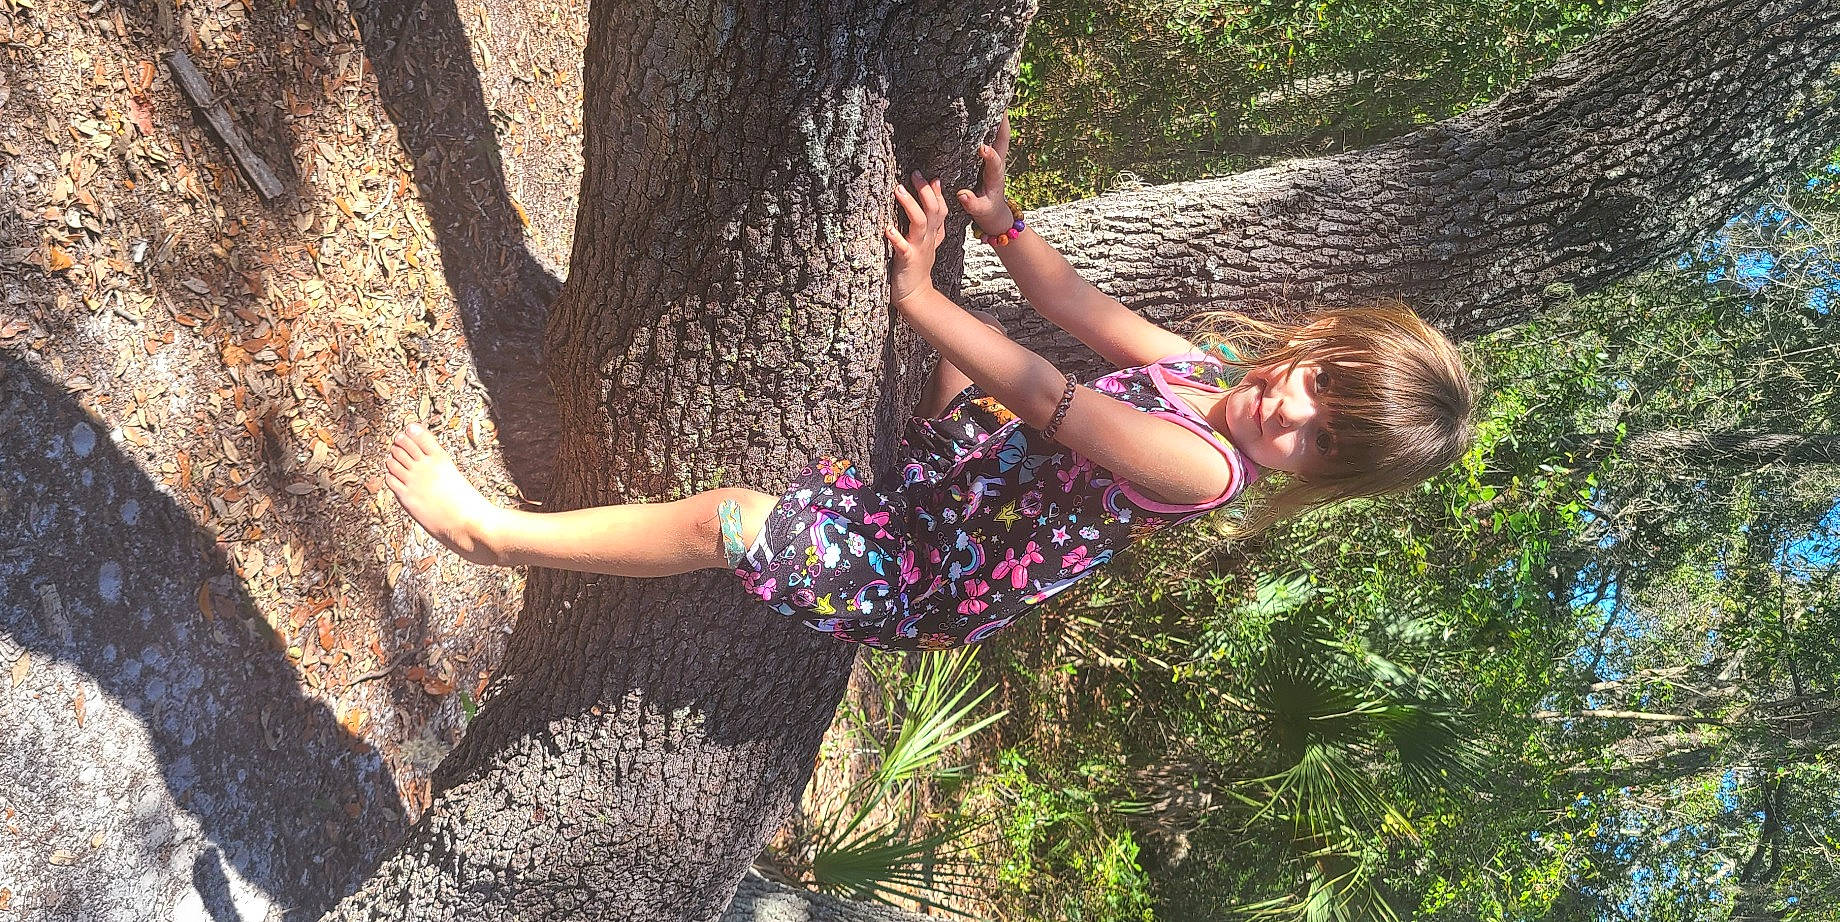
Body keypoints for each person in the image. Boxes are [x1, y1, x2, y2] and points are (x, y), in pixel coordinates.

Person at [385, 117, 1475, 651]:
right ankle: (936, 304)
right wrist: (1002, 227)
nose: (1285, 411)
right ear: (1319, 344)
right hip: (959, 471)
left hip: (924, 568)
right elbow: (1076, 310)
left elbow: (1056, 396)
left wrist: (916, 305)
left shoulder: (1201, 467)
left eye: (1317, 440)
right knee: (963, 297)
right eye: (1318, 385)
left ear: (1312, 476)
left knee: (732, 520)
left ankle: (493, 532)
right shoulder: (1208, 376)